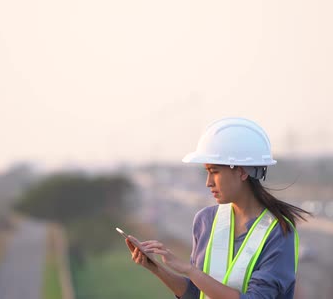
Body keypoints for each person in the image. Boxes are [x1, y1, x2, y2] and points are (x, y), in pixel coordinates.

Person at [124, 117, 310, 299]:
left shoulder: (278, 232)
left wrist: (190, 270)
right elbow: (197, 293)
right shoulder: (205, 220)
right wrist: (155, 267)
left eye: (214, 171)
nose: (208, 182)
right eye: (207, 172)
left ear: (241, 171)